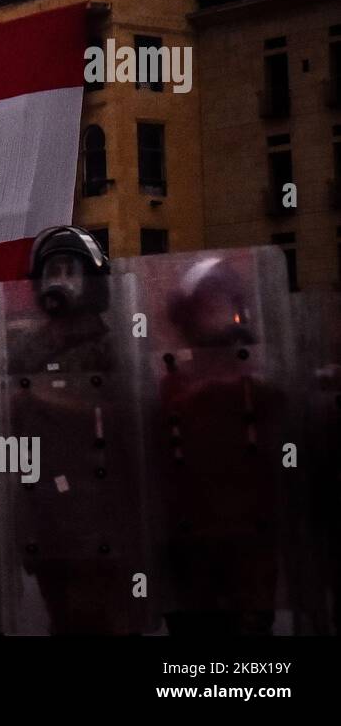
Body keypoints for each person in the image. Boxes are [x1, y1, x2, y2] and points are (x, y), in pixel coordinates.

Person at [0, 226, 150, 634]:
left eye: (69, 270)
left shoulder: (110, 345)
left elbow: (127, 411)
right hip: (45, 505)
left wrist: (46, 398)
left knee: (101, 616)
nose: (58, 281)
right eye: (51, 271)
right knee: (61, 615)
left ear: (91, 281)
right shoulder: (26, 349)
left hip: (100, 504)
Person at [152, 254, 287, 635]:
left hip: (248, 540)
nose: (216, 314)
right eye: (207, 305)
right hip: (191, 543)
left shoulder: (255, 379)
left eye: (222, 302)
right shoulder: (174, 384)